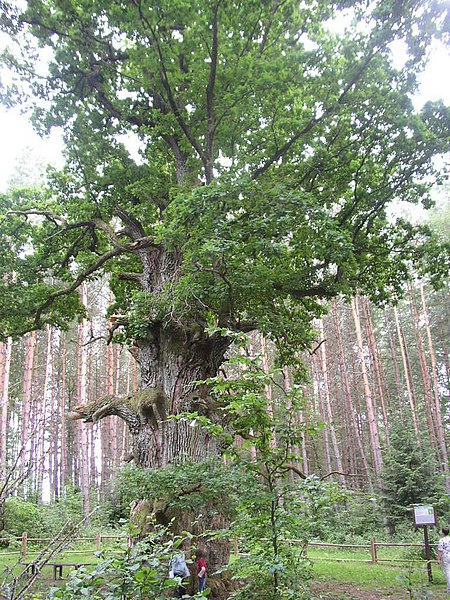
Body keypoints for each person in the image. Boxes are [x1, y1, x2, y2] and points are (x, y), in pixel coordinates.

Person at [437, 527, 450, 593]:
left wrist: (438, 559)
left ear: (443, 532)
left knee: (447, 572)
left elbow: (440, 551)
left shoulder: (441, 540)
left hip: (446, 557)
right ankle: (448, 588)